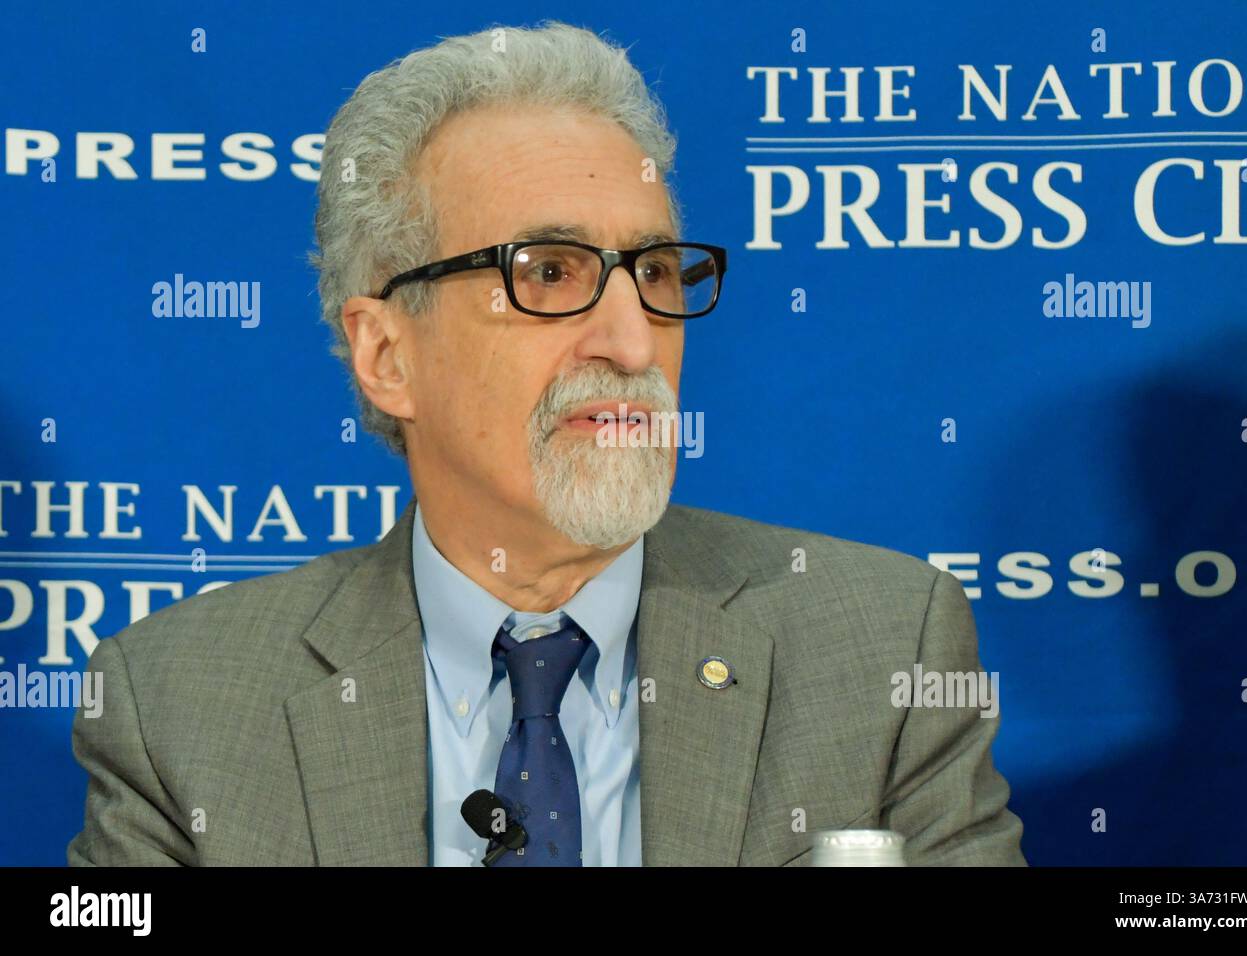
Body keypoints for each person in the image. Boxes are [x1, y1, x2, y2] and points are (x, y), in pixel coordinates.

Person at [68, 20, 1025, 866]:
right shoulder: (176, 708)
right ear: (387, 353)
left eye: (654, 270)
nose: (633, 341)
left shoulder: (883, 653)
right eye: (551, 271)